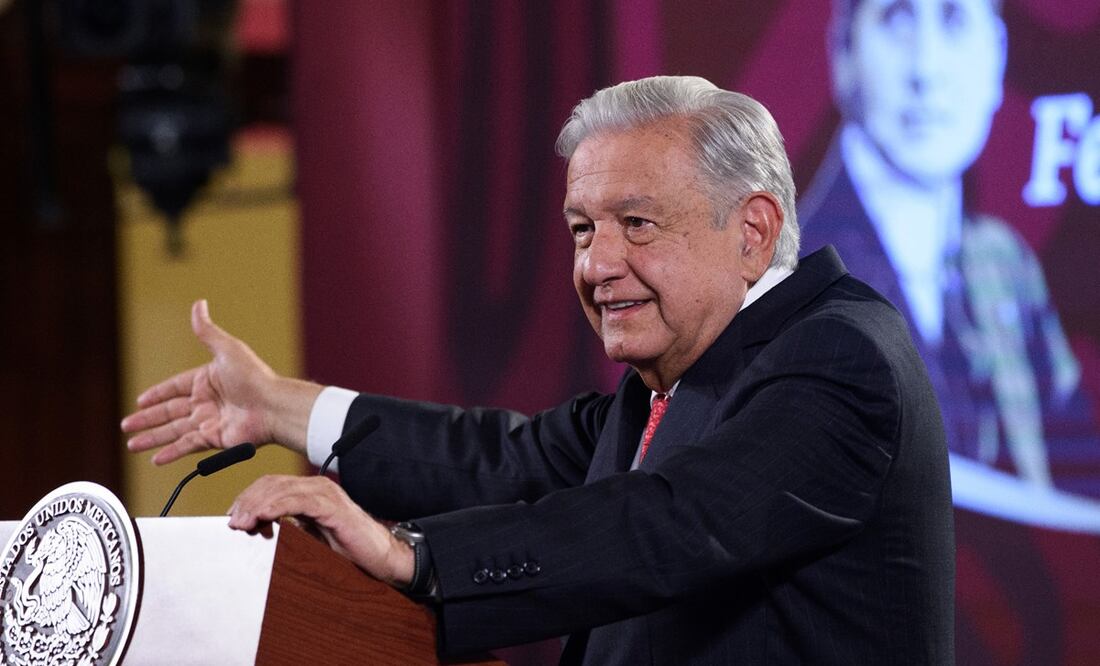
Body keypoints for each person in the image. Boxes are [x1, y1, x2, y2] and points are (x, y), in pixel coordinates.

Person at [122, 76, 954, 664]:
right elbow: (503, 461)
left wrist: (412, 555)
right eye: (583, 229)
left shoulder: (839, 357)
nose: (598, 264)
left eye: (637, 222)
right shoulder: (671, 384)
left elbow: (668, 522)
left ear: (753, 231)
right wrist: (281, 407)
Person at [799, 0, 1094, 489]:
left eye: (955, 20)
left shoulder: (1006, 266)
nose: (927, 69)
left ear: (997, 56)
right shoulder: (791, 274)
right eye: (897, 19)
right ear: (845, 52)